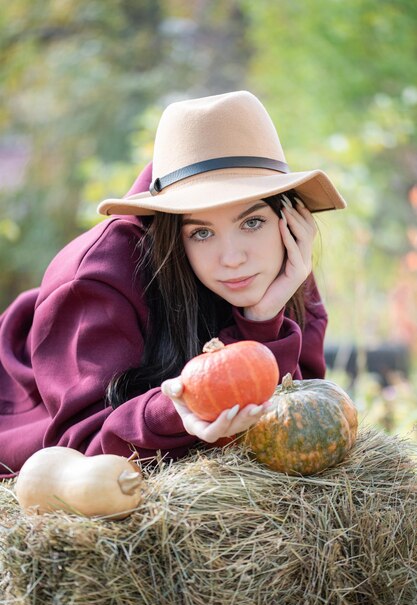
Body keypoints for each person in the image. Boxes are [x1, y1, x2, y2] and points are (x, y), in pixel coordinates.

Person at [0, 90, 346, 478]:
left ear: (289, 216)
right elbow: (81, 458)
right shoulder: (96, 278)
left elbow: (298, 421)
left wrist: (264, 316)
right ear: (168, 226)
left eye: (252, 222)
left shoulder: (284, 264)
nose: (232, 258)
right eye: (201, 232)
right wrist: (178, 410)